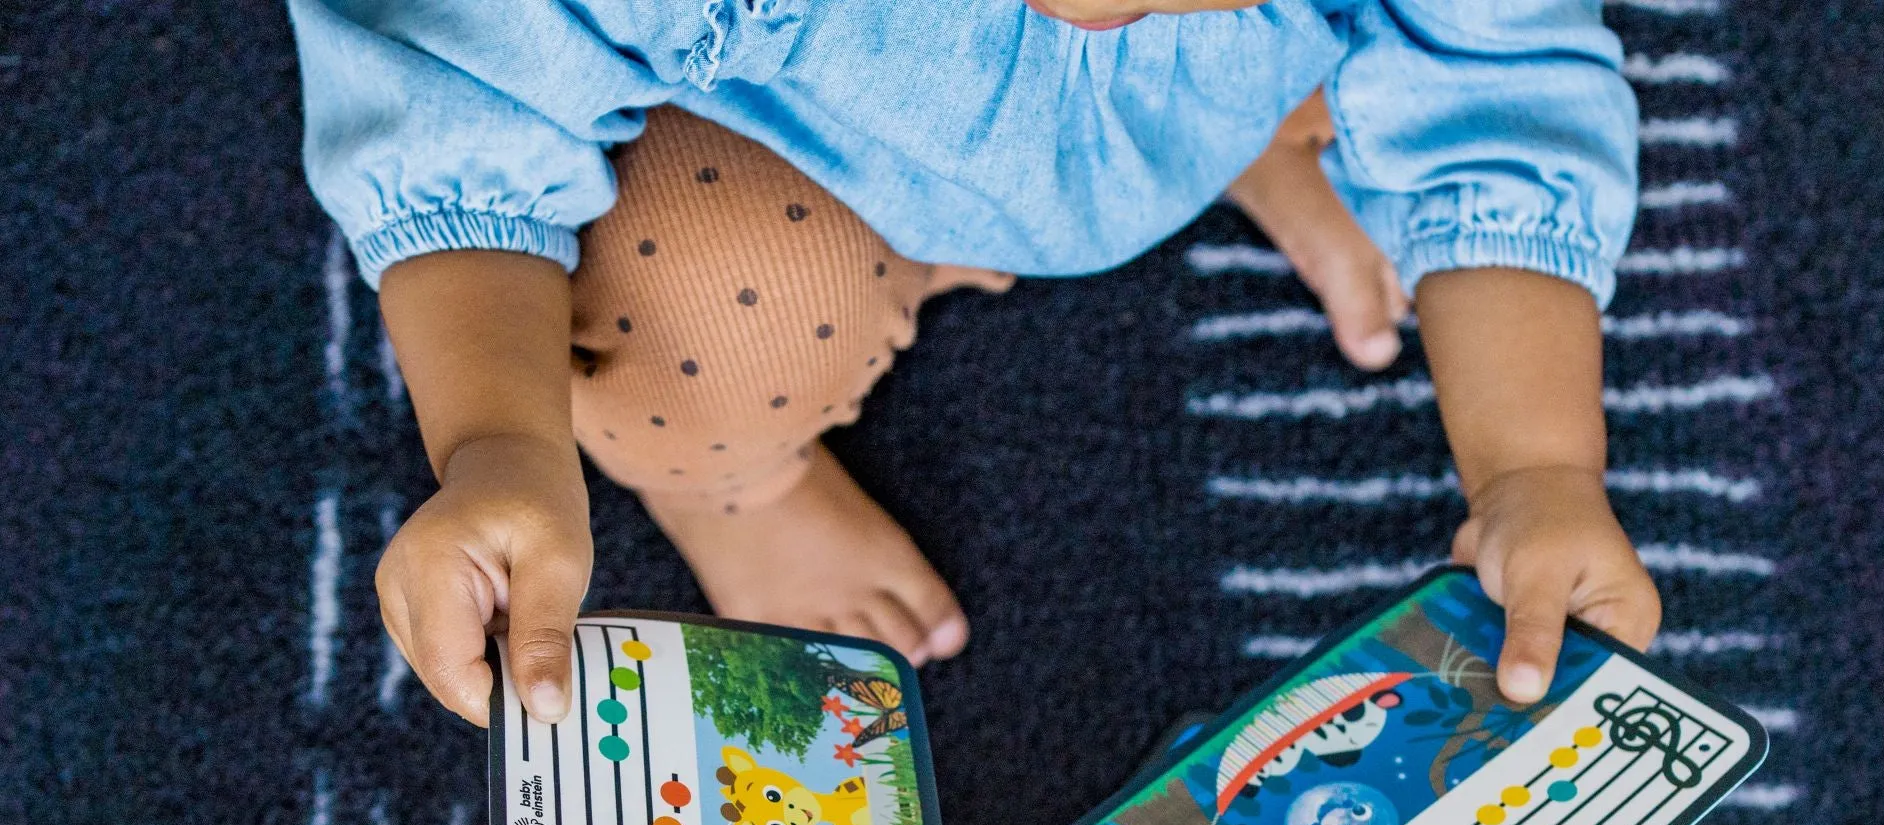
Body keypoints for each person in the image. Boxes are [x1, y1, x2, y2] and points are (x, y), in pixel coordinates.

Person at [289, 0, 1660, 724]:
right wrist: (500, 444)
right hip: (784, 144)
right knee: (700, 321)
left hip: (1169, 110)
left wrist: (1537, 466)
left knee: (1398, 53)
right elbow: (455, 92)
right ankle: (740, 486)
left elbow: (1505, 96)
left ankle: (1250, 125)